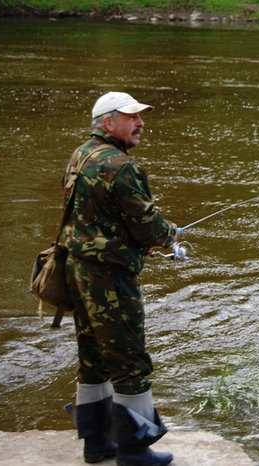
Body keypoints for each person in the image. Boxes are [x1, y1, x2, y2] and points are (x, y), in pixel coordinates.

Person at [62, 92, 179, 466]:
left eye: (140, 116)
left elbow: (93, 216)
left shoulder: (81, 155)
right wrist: (168, 235)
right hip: (110, 278)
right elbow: (148, 226)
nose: (140, 123)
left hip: (76, 271)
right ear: (108, 123)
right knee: (130, 361)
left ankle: (95, 444)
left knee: (93, 357)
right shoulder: (122, 166)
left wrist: (130, 240)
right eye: (132, 117)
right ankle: (134, 450)